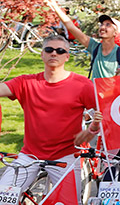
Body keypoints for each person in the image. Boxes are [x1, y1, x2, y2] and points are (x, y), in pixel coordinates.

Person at [0, 35, 96, 196]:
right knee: (3, 198)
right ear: (42, 54)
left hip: (65, 156)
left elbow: (104, 112)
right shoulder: (26, 82)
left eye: (59, 51)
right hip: (29, 155)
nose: (54, 54)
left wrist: (91, 130)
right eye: (49, 50)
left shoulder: (82, 85)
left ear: (67, 56)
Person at [45, 0, 120, 79]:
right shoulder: (94, 47)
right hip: (93, 91)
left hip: (111, 92)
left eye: (108, 25)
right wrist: (55, 6)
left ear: (115, 32)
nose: (102, 27)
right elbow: (70, 27)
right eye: (102, 24)